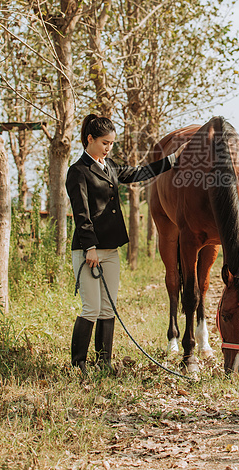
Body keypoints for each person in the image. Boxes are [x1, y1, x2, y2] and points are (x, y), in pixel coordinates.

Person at [66, 114, 185, 375]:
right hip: (89, 250)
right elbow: (81, 214)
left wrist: (172, 160)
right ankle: (79, 364)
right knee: (91, 307)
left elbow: (139, 172)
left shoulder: (109, 166)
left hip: (111, 248)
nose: (109, 148)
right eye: (105, 143)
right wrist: (90, 248)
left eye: (111, 143)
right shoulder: (77, 172)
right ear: (90, 139)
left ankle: (104, 362)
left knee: (108, 307)